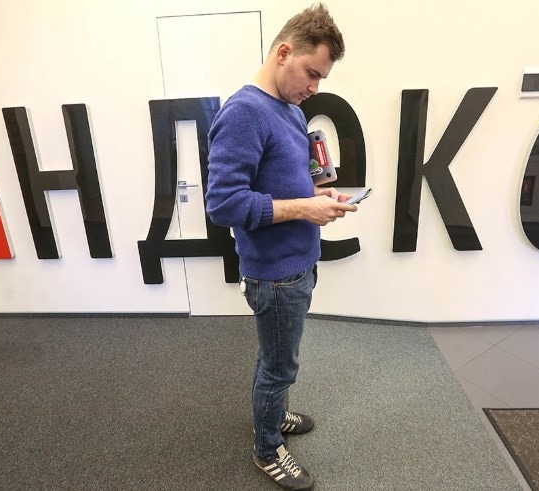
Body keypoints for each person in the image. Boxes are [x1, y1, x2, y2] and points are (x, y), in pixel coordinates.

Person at [205, 4, 354, 490]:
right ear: (284, 52)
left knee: (275, 359)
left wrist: (320, 196)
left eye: (321, 78)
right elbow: (223, 203)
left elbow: (284, 181)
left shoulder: (288, 108)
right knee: (279, 366)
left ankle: (272, 414)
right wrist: (305, 208)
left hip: (297, 263)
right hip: (274, 274)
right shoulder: (244, 113)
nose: (315, 86)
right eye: (312, 73)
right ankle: (267, 449)